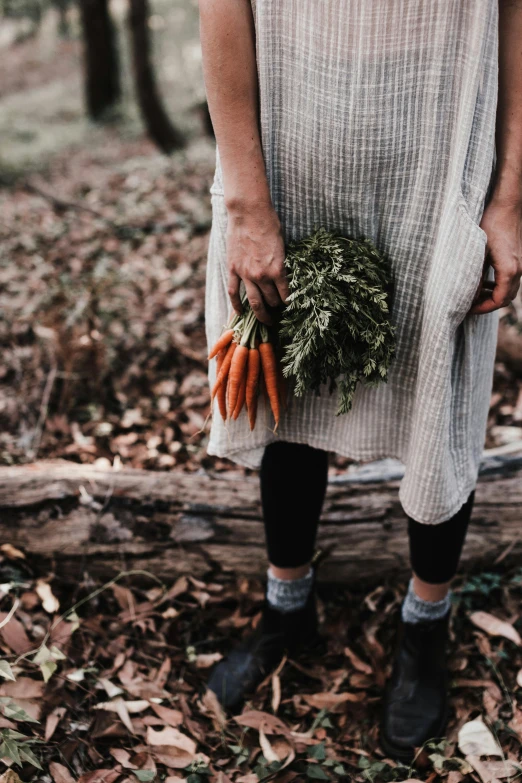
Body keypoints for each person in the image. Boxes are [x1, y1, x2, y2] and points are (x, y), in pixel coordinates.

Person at [199, 0, 522, 761]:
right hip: (288, 147)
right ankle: (287, 611)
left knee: (441, 390)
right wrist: (247, 200)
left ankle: (424, 626)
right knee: (288, 375)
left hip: (444, 163)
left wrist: (511, 196)